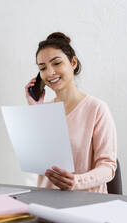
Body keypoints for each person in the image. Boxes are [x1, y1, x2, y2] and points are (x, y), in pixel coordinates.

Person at [24, 32, 117, 193]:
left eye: (57, 63)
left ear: (73, 62)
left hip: (86, 204)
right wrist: (36, 112)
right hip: (46, 203)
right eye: (43, 68)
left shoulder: (96, 109)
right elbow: (36, 167)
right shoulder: (41, 112)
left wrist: (77, 181)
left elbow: (108, 167)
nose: (50, 72)